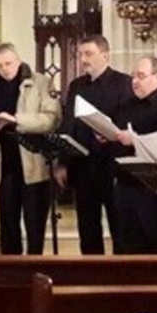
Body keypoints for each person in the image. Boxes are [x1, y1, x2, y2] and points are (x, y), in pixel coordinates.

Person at [0, 43, 62, 256]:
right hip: (4, 163)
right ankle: (11, 273)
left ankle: (34, 271)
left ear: (18, 60)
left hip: (33, 163)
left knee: (35, 226)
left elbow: (51, 119)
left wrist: (16, 120)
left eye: (8, 63)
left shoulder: (40, 82)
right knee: (8, 225)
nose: (4, 69)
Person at [56, 35, 134, 255]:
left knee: (118, 223)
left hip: (112, 165)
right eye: (80, 54)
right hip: (82, 165)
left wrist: (113, 134)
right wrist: (62, 162)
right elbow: (68, 123)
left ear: (105, 55)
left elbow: (128, 122)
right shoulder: (77, 85)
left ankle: (121, 275)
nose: (83, 59)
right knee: (87, 226)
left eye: (88, 54)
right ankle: (91, 273)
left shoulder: (123, 83)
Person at [109, 56, 157, 254]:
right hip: (126, 184)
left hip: (156, 188)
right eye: (133, 76)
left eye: (141, 76)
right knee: (128, 243)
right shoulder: (127, 104)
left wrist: (136, 140)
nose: (135, 81)